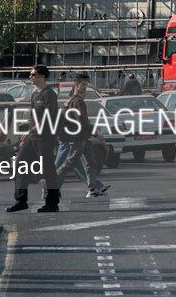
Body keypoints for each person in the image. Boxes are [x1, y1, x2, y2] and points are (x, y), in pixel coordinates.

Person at [7, 64, 61, 213]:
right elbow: (32, 116)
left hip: (45, 138)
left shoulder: (49, 94)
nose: (30, 77)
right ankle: (21, 201)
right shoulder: (34, 94)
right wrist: (28, 133)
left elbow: (49, 116)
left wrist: (32, 130)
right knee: (20, 164)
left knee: (48, 170)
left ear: (42, 77)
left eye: (33, 74)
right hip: (33, 138)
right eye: (30, 74)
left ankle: (52, 203)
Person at [56, 73, 108, 198]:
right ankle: (49, 183)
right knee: (69, 164)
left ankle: (92, 188)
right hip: (78, 138)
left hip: (81, 137)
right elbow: (82, 123)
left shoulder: (73, 99)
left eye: (86, 84)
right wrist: (96, 134)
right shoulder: (78, 101)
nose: (85, 87)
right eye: (83, 84)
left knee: (90, 163)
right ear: (76, 84)